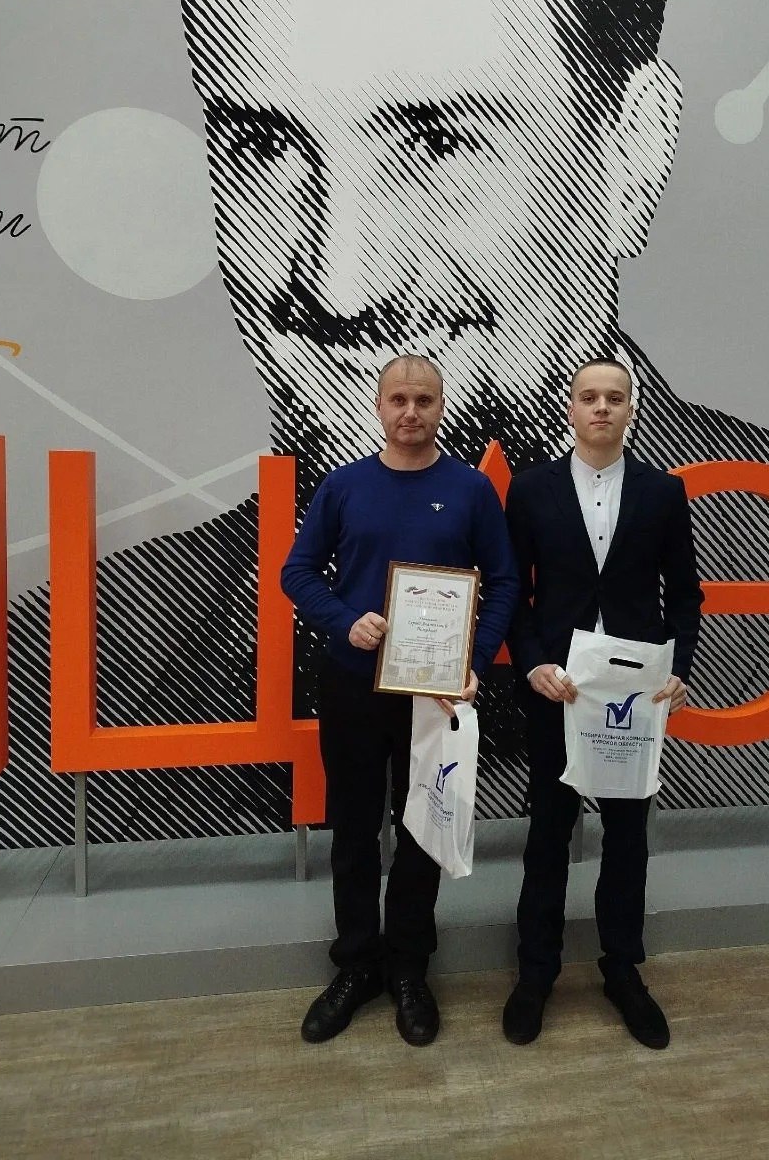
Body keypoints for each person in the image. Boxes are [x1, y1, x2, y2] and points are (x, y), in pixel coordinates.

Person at [0, 0, 769, 850]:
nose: (342, 278)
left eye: (438, 142)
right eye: (263, 144)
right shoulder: (44, 680)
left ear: (631, 154)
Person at [280, 354, 517, 1046]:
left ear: (442, 407)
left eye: (424, 400)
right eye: (398, 400)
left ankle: (409, 966)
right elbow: (297, 571)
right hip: (353, 684)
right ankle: (357, 966)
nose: (410, 412)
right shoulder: (344, 485)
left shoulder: (471, 490)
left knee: (421, 832)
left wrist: (474, 661)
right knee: (354, 830)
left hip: (434, 693)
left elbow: (504, 581)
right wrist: (342, 619)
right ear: (379, 406)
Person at [502, 359, 703, 1048]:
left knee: (627, 838)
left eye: (615, 398)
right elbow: (513, 592)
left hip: (633, 696)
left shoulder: (662, 492)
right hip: (556, 690)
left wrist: (678, 668)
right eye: (589, 396)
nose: (601, 408)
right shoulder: (531, 490)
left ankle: (622, 970)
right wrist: (532, 663)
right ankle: (536, 973)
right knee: (547, 835)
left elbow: (685, 594)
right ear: (571, 407)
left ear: (631, 410)